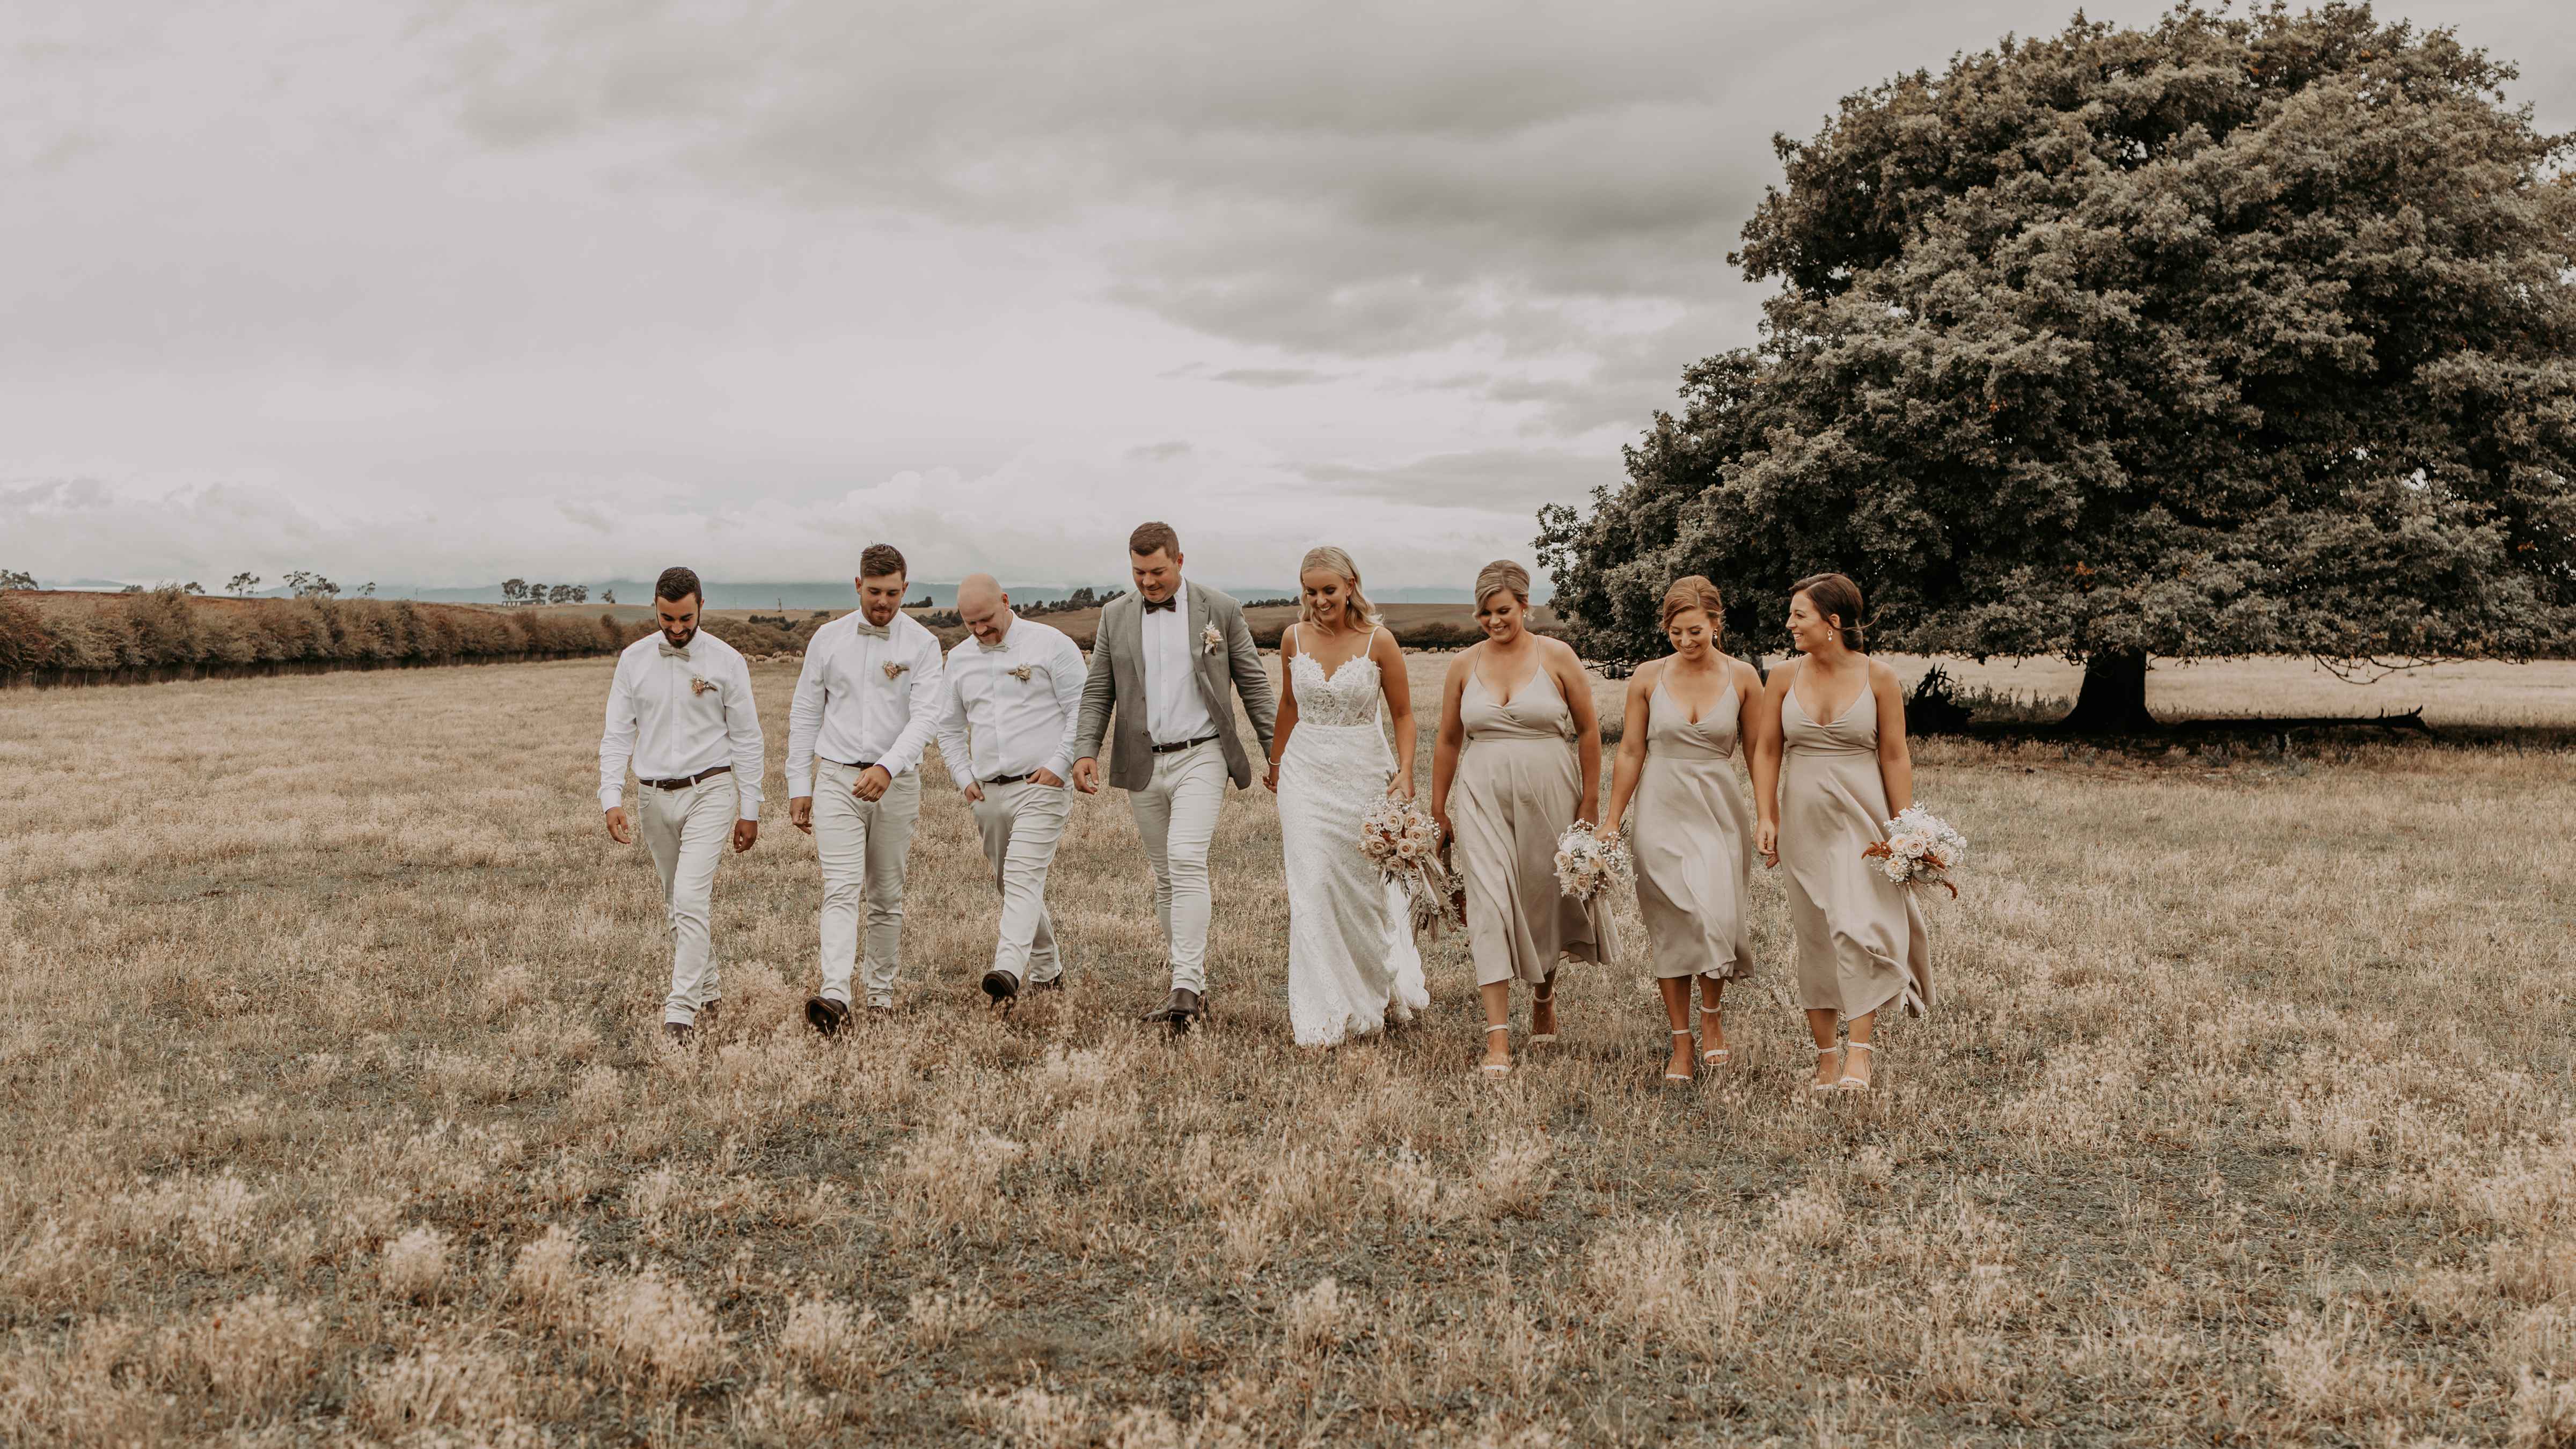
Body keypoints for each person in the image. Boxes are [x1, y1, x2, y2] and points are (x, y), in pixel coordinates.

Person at [1071, 521, 1277, 1033]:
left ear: (1180, 561)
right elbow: (1099, 688)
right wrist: (1085, 750)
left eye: (1158, 571)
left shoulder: (1221, 610)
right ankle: (1191, 986)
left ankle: (1184, 985)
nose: (1149, 583)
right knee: (1166, 876)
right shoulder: (1114, 614)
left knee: (1186, 857)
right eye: (1139, 573)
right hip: (1142, 760)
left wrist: (1279, 753)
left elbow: (1252, 682)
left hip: (1202, 754)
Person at [1747, 572, 1931, 1094]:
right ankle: (1826, 1057)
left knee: (1858, 927)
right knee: (1817, 937)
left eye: (1799, 615)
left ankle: (1860, 1055)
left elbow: (1894, 754)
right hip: (1803, 821)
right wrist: (1766, 814)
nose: (1789, 624)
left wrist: (1904, 827)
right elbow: (1766, 750)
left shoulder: (1880, 677)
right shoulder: (1783, 677)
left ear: (1832, 622)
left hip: (1862, 819)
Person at [1430, 559, 1613, 1076]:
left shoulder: (1558, 656)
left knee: (1542, 899)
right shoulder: (1464, 665)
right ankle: (1497, 1040)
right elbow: (1447, 739)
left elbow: (1590, 732)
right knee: (1488, 904)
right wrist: (1437, 808)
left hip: (1549, 791)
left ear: (1525, 606)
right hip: (1481, 793)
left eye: (1503, 610)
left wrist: (1591, 802)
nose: (1494, 621)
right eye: (1485, 612)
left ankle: (1543, 994)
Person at [1262, 546, 1429, 1046]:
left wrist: (1405, 772)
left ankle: (1371, 988)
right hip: (1305, 773)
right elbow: (1289, 704)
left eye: (1328, 590)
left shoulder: (1380, 642)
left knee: (1361, 890)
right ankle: (1323, 1010)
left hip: (1362, 770)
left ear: (1351, 585)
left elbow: (1403, 714)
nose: (1319, 601)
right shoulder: (1293, 638)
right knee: (1311, 886)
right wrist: (1274, 763)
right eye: (1310, 592)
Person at [1601, 576, 1763, 1085]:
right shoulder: (1648, 677)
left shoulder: (1744, 678)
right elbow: (1630, 750)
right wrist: (1612, 819)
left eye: (1696, 631)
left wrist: (1769, 815)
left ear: (1717, 623)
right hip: (1661, 806)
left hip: (1718, 807)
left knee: (1715, 911)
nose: (1687, 642)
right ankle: (1681, 1041)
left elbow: (1759, 751)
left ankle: (1711, 1018)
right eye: (1676, 634)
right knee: (1672, 919)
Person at [597, 566, 764, 1046]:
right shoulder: (632, 660)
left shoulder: (728, 662)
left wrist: (749, 807)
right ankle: (708, 990)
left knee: (691, 899)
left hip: (710, 789)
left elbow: (748, 739)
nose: (676, 629)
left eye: (685, 618)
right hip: (652, 796)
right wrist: (612, 798)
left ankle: (681, 1012)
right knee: (676, 903)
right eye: (667, 618)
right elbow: (618, 734)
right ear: (655, 607)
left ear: (701, 606)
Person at [784, 544, 947, 1033]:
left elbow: (927, 718)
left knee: (886, 895)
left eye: (893, 593)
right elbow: (806, 711)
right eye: (874, 592)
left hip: (896, 783)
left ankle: (880, 994)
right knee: (840, 889)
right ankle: (835, 994)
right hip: (836, 777)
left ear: (906, 589)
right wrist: (798, 782)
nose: (883, 603)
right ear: (857, 585)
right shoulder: (827, 639)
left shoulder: (922, 644)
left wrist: (888, 767)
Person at [936, 574, 1086, 1010]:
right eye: (970, 624)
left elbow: (1083, 708)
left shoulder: (1051, 644)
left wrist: (1060, 765)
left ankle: (1007, 970)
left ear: (1005, 602)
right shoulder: (960, 659)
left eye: (986, 619)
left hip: (1041, 784)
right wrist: (963, 777)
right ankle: (1048, 971)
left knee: (1022, 875)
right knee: (1012, 883)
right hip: (987, 792)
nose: (981, 631)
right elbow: (947, 726)